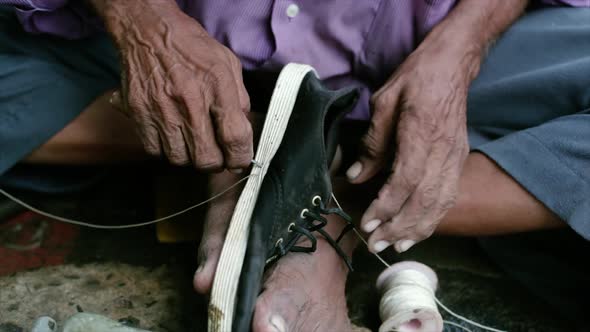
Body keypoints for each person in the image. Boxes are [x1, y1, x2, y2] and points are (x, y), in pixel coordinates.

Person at [0, 0, 589, 330]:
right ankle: (236, 142)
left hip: (424, 45)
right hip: (177, 40)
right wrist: (140, 21)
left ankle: (335, 207)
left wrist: (461, 49)